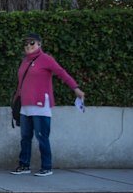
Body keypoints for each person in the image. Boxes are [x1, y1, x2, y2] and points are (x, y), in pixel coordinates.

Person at [10, 33, 85, 177]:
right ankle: (24, 165)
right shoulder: (25, 61)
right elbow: (21, 84)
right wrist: (15, 102)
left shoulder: (46, 59)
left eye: (32, 43)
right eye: (25, 44)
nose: (28, 46)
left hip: (40, 106)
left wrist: (76, 89)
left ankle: (46, 166)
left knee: (42, 137)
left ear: (39, 44)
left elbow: (62, 73)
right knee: (25, 137)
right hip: (25, 106)